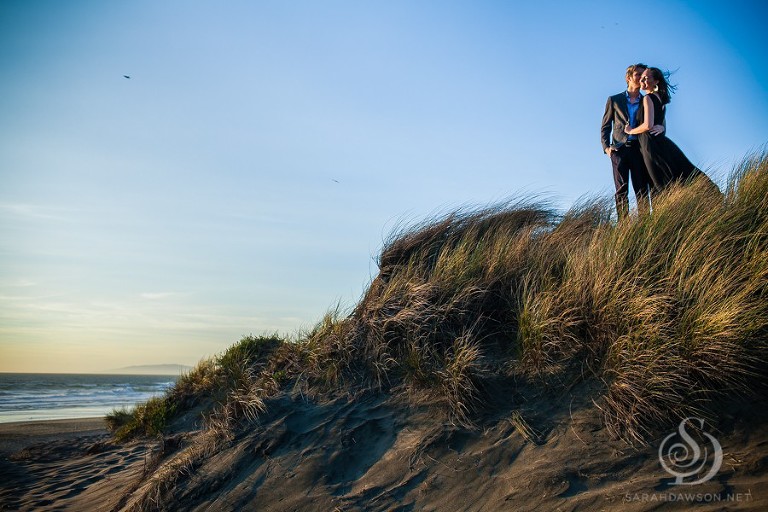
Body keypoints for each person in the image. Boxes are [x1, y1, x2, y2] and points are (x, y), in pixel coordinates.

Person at [624, 67, 717, 196]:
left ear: (656, 81)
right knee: (675, 175)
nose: (642, 80)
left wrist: (630, 130)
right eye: (642, 78)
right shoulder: (661, 99)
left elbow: (648, 125)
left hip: (650, 145)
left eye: (646, 78)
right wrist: (661, 128)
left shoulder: (648, 98)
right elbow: (658, 123)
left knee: (661, 183)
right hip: (660, 142)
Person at [601, 63, 664, 219]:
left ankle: (643, 222)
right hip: (619, 150)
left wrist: (662, 128)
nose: (642, 78)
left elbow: (657, 121)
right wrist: (606, 147)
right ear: (629, 78)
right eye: (638, 75)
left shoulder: (647, 99)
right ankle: (623, 224)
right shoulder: (614, 100)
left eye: (644, 75)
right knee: (621, 189)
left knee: (641, 188)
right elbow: (605, 126)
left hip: (639, 149)